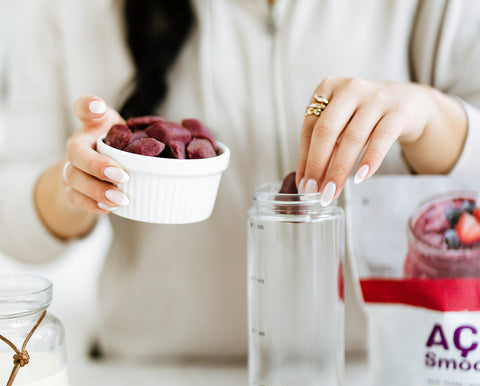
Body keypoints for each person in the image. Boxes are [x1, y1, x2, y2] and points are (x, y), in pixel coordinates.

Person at [0, 0, 479, 359]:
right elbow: (12, 215)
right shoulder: (73, 11)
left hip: (378, 380)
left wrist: (436, 118)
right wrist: (72, 187)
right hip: (153, 382)